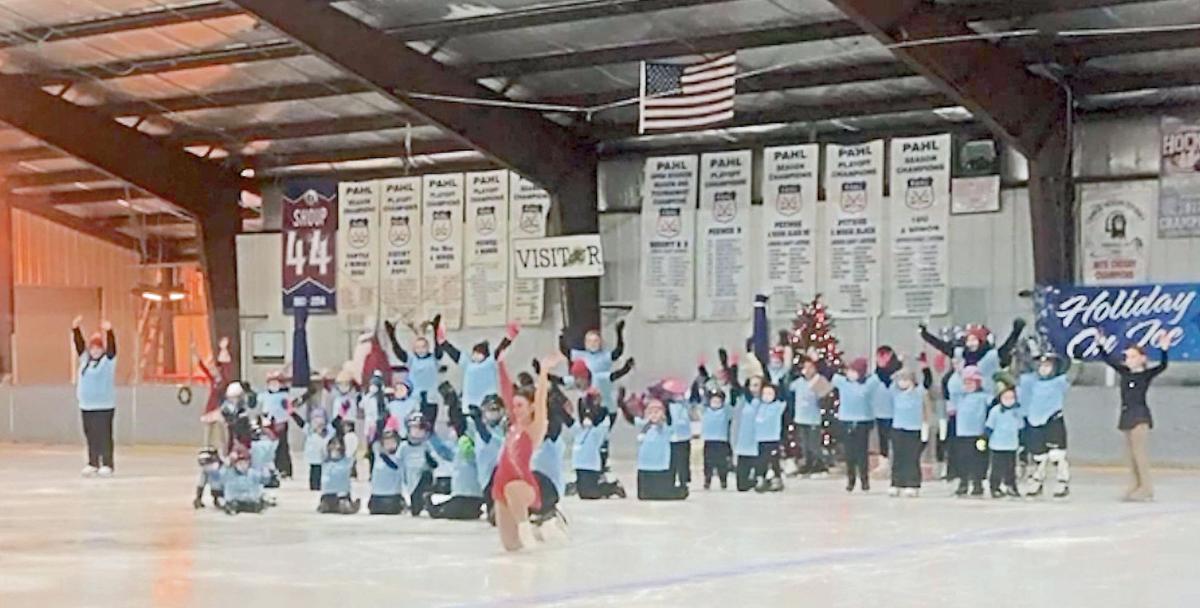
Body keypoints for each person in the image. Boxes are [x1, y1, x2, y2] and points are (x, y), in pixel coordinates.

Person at [492, 353, 558, 551]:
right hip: (500, 483)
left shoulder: (535, 428)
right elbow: (505, 391)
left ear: (530, 408)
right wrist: (501, 363)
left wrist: (544, 371)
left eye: (520, 405)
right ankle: (540, 532)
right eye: (515, 406)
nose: (516, 409)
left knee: (512, 489)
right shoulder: (513, 424)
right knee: (510, 546)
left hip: (522, 484)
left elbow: (541, 400)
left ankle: (526, 527)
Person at [1099, 333, 1171, 502]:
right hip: (1126, 415)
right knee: (1130, 455)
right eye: (1127, 357)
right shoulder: (1124, 373)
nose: (1128, 360)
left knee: (1140, 454)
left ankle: (1147, 487)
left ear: (1141, 358)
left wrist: (1164, 349)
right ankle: (1135, 485)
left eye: (1132, 356)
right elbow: (1109, 360)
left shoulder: (1145, 375)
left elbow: (1163, 366)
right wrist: (1101, 344)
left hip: (1140, 417)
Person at [435, 315, 518, 413]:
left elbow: (499, 349)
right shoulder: (468, 363)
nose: (475, 355)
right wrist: (443, 342)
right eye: (474, 353)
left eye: (479, 353)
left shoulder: (489, 362)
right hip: (469, 404)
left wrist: (509, 337)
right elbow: (455, 354)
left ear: (485, 355)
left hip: (487, 405)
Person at [72, 316, 117, 477]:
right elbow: (79, 346)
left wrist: (109, 331)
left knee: (104, 434)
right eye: (93, 348)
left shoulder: (108, 361)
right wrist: (76, 329)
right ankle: (93, 462)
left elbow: (112, 349)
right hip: (87, 405)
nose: (95, 351)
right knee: (90, 435)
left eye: (98, 348)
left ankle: (107, 463)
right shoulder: (85, 361)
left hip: (104, 406)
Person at [1024, 352, 1073, 498]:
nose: (1044, 369)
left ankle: (1062, 482)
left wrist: (1071, 356)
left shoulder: (1059, 382)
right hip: (1034, 420)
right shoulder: (1031, 382)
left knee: (1056, 455)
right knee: (1038, 455)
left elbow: (1073, 371)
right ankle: (1036, 481)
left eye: (1048, 366)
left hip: (1053, 420)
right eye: (1042, 366)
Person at [622, 394, 688, 501]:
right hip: (645, 465)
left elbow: (672, 420)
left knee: (661, 494)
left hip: (660, 465)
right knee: (643, 496)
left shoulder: (666, 427)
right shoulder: (643, 425)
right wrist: (623, 404)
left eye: (657, 412)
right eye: (651, 412)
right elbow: (630, 418)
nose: (654, 415)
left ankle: (679, 490)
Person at [888, 362, 933, 497]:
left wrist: (926, 427)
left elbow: (927, 383)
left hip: (914, 430)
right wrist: (899, 363)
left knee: (912, 458)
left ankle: (912, 483)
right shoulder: (895, 392)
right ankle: (896, 483)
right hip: (898, 429)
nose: (902, 383)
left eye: (906, 380)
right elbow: (890, 378)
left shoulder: (919, 393)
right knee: (898, 458)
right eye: (900, 380)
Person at [570, 390, 626, 499]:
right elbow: (582, 415)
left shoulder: (603, 413)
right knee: (584, 493)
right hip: (582, 454)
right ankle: (580, 485)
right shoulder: (585, 410)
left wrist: (619, 402)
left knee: (591, 493)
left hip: (594, 453)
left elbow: (601, 419)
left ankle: (612, 487)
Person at [832, 358, 875, 493]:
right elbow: (827, 372)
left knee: (862, 453)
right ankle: (851, 479)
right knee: (849, 453)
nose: (850, 374)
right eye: (849, 371)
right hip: (846, 421)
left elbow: (881, 375)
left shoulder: (867, 385)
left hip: (863, 422)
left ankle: (864, 479)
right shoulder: (843, 383)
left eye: (854, 372)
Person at [949, 366, 991, 497]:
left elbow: (994, 399)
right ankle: (963, 481)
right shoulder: (959, 397)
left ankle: (978, 483)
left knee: (979, 458)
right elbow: (952, 387)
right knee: (963, 459)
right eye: (966, 383)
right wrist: (957, 371)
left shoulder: (984, 397)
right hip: (962, 434)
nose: (968, 386)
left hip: (979, 434)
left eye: (972, 382)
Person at [790, 358, 831, 477]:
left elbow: (826, 396)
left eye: (810, 367)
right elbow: (789, 387)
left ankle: (818, 464)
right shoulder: (799, 382)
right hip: (800, 418)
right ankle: (807, 463)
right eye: (805, 368)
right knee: (804, 443)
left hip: (813, 419)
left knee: (814, 444)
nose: (807, 370)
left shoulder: (818, 381)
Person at [985, 377, 1025, 499]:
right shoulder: (995, 411)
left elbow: (1020, 427)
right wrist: (985, 439)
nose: (1008, 401)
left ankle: (1010, 486)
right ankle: (994, 487)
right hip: (997, 445)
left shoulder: (1017, 412)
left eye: (1011, 398)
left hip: (1011, 445)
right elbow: (989, 427)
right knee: (997, 468)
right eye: (1005, 398)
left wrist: (1022, 443)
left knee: (1010, 468)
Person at [195, 337, 233, 458]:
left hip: (220, 407)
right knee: (209, 430)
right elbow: (203, 368)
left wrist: (224, 349)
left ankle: (224, 450)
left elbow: (227, 366)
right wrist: (196, 354)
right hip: (211, 407)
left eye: (216, 369)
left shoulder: (224, 380)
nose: (214, 371)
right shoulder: (213, 380)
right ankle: (207, 449)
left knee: (222, 431)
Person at [257, 371, 293, 479]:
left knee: (282, 447)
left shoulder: (285, 396)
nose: (274, 385)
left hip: (281, 423)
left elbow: (289, 409)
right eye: (271, 382)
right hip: (267, 423)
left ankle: (284, 469)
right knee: (267, 447)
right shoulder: (264, 395)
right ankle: (269, 468)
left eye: (276, 382)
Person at [291, 405, 336, 491]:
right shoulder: (309, 430)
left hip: (325, 458)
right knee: (314, 473)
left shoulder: (329, 430)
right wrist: (292, 413)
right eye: (315, 418)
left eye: (320, 417)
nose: (318, 421)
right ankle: (314, 487)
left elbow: (336, 423)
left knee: (324, 474)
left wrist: (342, 413)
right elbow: (300, 422)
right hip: (313, 458)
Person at [753, 383, 787, 493]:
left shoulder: (778, 406)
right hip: (760, 439)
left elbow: (786, 398)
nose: (767, 396)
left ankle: (776, 478)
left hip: (773, 438)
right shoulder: (758, 405)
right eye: (765, 393)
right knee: (761, 460)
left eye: (770, 393)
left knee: (774, 460)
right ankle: (760, 478)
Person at [368, 423, 407, 515]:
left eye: (392, 442)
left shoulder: (399, 457)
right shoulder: (377, 453)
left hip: (393, 498)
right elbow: (373, 440)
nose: (389, 444)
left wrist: (384, 456)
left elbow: (394, 466)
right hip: (376, 497)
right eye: (387, 442)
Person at [318, 435, 360, 514]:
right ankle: (340, 505)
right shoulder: (326, 461)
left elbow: (352, 451)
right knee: (343, 501)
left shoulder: (345, 461)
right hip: (333, 495)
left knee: (341, 500)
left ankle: (329, 505)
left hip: (338, 495)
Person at [222, 446, 269, 515]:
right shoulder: (229, 473)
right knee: (232, 505)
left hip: (251, 501)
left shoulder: (253, 473)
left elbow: (264, 480)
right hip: (236, 500)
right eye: (240, 463)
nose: (243, 465)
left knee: (260, 502)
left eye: (245, 463)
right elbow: (221, 476)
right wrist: (227, 464)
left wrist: (265, 469)